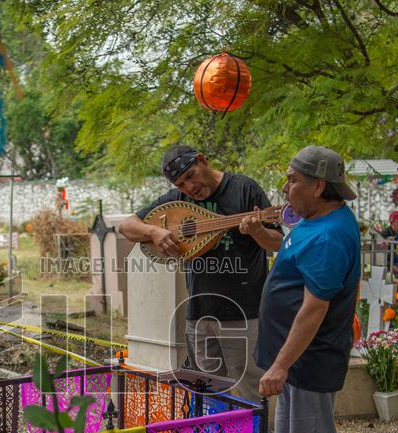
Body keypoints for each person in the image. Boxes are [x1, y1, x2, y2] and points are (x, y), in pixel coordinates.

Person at [117, 144, 281, 401]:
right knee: (208, 395)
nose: (189, 188)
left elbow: (277, 242)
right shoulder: (178, 201)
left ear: (203, 160)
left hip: (245, 313)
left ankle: (255, 431)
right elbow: (127, 226)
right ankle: (217, 430)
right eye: (181, 184)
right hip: (199, 315)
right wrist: (154, 232)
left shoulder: (244, 189)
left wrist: (257, 231)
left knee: (251, 393)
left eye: (190, 176)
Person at [256, 146, 361, 433]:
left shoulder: (330, 235)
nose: (285, 188)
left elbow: (314, 309)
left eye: (293, 180)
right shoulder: (313, 220)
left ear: (318, 186)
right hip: (296, 358)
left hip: (309, 358)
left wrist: (281, 365)